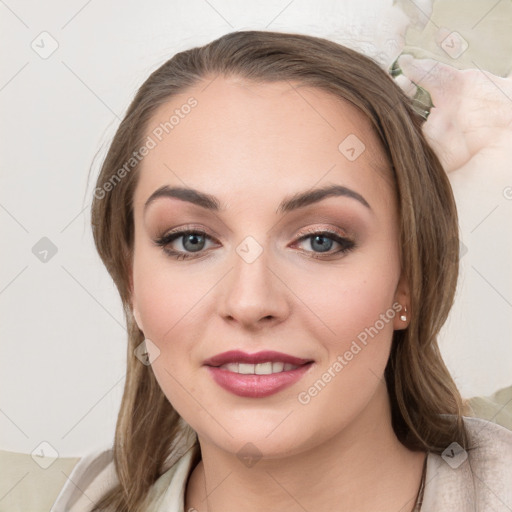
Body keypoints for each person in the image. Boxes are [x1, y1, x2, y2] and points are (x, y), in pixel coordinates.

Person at [50, 30, 512, 512]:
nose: (250, 303)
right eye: (191, 240)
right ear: (131, 284)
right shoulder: (92, 498)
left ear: (408, 280)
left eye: (321, 241)